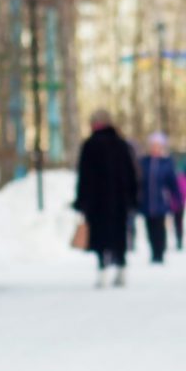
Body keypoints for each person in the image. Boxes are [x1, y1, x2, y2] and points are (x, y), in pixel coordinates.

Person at [74, 110, 138, 287]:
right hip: (120, 201)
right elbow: (132, 174)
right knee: (119, 235)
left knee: (100, 236)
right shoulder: (121, 145)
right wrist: (133, 198)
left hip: (97, 202)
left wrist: (81, 201)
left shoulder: (89, 145)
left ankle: (102, 269)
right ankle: (121, 268)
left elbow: (84, 177)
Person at [138, 133, 181, 264]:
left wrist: (177, 198)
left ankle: (160, 252)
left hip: (161, 201)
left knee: (160, 228)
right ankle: (153, 252)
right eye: (153, 145)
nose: (155, 148)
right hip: (146, 201)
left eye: (158, 146)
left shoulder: (166, 163)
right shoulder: (143, 162)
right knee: (149, 228)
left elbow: (172, 182)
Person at [170, 169, 186, 250]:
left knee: (178, 223)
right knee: (178, 223)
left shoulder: (183, 180)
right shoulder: (182, 179)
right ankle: (178, 240)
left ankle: (179, 240)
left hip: (178, 205)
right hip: (175, 204)